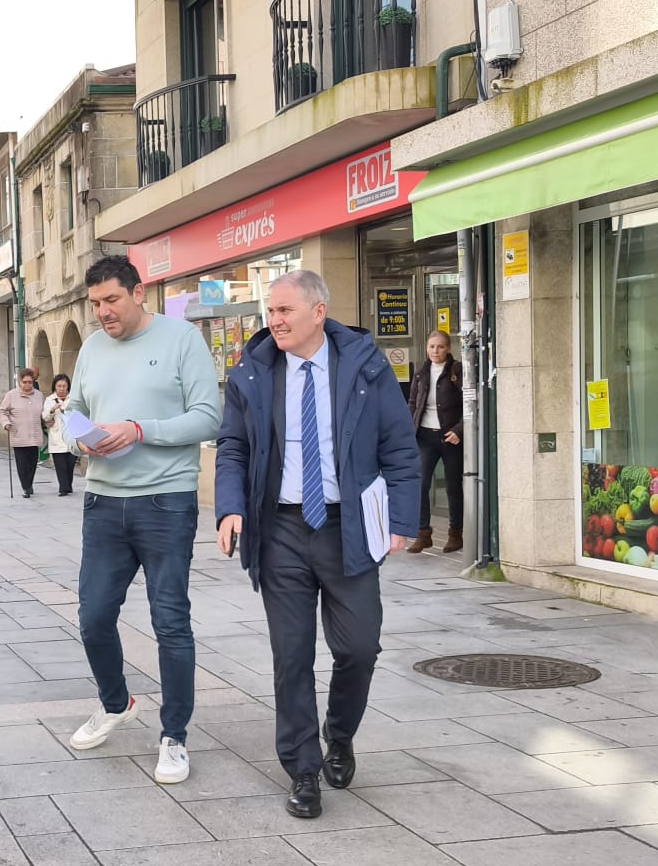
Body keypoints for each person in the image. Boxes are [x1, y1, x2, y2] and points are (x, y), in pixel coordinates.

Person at [215, 271, 420, 820]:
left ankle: (341, 732)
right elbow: (232, 447)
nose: (274, 321)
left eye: (284, 310)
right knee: (292, 655)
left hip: (345, 525)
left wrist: (400, 519)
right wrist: (230, 507)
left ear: (318, 312)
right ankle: (302, 769)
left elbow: (400, 448)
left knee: (359, 646)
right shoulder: (253, 372)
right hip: (279, 528)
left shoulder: (367, 368)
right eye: (270, 312)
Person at [64, 256, 221, 783]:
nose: (103, 312)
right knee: (92, 617)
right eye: (95, 305)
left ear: (138, 292)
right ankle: (115, 701)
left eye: (111, 300)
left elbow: (209, 416)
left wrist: (138, 429)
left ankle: (174, 735)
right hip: (102, 501)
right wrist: (80, 437)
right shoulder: (91, 348)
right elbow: (73, 413)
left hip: (166, 502)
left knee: (170, 622)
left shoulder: (181, 339)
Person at [406, 330, 464, 553]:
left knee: (452, 486)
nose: (435, 351)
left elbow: (470, 403)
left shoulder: (457, 371)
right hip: (425, 437)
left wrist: (459, 430)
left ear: (448, 348)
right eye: (432, 347)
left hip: (450, 437)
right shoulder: (421, 373)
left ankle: (455, 533)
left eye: (440, 347)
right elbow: (413, 403)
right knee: (420, 485)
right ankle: (423, 534)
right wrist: (410, 431)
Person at [0, 368, 46, 498]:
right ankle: (26, 486)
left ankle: (29, 483)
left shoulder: (39, 395)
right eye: (24, 382)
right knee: (22, 464)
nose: (27, 385)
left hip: (35, 435)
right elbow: (2, 411)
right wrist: (6, 423)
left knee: (32, 463)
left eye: (30, 382)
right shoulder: (11, 395)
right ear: (20, 382)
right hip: (19, 435)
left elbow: (44, 413)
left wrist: (48, 420)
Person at [43, 372, 77, 496]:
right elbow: (45, 417)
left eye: (64, 386)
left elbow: (78, 414)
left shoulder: (73, 399)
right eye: (59, 386)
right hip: (57, 437)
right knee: (60, 465)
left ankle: (68, 486)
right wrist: (52, 410)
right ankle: (63, 488)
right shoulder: (49, 400)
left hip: (72, 436)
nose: (62, 389)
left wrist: (65, 410)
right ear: (55, 387)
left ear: (68, 387)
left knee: (70, 465)